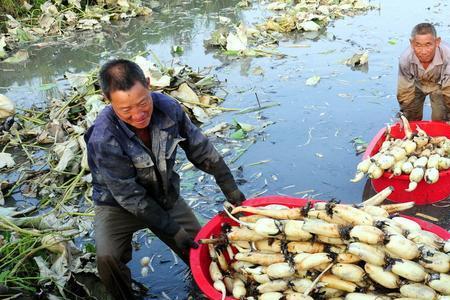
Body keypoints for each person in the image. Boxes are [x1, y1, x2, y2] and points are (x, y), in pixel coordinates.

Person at [84, 59, 245, 300]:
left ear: (149, 85)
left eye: (143, 103)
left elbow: (202, 150)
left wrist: (232, 191)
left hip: (163, 195)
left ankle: (207, 289)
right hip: (117, 205)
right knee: (107, 259)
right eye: (126, 110)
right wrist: (172, 229)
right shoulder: (103, 137)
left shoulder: (168, 108)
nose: (138, 115)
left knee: (205, 250)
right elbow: (131, 198)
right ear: (108, 99)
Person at [397, 22, 450, 121]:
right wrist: (406, 111)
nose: (424, 51)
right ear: (411, 43)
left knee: (440, 119)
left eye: (428, 44)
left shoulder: (447, 56)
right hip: (416, 84)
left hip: (440, 85)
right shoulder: (405, 58)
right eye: (418, 45)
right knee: (410, 117)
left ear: (437, 42)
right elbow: (404, 90)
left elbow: (449, 90)